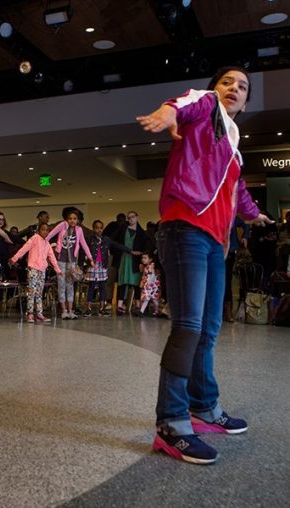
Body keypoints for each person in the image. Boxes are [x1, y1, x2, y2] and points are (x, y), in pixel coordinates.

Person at [137, 66, 272, 464]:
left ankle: (205, 407)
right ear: (217, 88)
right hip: (185, 228)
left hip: (216, 241)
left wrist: (254, 214)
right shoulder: (206, 105)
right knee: (189, 328)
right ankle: (171, 424)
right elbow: (186, 102)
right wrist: (168, 113)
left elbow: (237, 188)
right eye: (228, 82)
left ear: (247, 101)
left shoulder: (233, 141)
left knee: (209, 331)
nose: (234, 88)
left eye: (243, 86)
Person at [45, 208, 93, 320]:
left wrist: (90, 258)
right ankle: (64, 311)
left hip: (72, 261)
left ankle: (71, 311)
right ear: (67, 219)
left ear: (78, 220)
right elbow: (50, 235)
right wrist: (42, 245)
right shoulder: (62, 226)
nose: (72, 221)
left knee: (70, 285)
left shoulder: (79, 230)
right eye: (70, 218)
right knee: (61, 285)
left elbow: (84, 244)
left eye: (75, 219)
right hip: (61, 259)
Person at [9, 222, 61, 322]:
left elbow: (52, 257)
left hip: (42, 270)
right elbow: (24, 249)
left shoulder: (47, 243)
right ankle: (30, 314)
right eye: (43, 229)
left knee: (39, 292)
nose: (45, 232)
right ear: (38, 231)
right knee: (31, 292)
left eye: (47, 230)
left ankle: (40, 314)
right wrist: (14, 259)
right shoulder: (34, 238)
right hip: (33, 269)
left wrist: (57, 270)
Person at [84, 219, 135, 317]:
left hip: (102, 266)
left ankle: (102, 308)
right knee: (91, 287)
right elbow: (83, 249)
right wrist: (83, 263)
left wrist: (130, 250)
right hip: (93, 265)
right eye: (96, 228)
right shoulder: (89, 239)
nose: (99, 230)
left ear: (102, 229)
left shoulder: (106, 239)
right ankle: (88, 308)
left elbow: (117, 245)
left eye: (100, 228)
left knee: (102, 287)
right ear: (93, 229)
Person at [111, 211, 149, 315]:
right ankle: (119, 306)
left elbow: (145, 248)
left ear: (137, 217)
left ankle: (137, 306)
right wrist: (126, 249)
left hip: (136, 260)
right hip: (124, 258)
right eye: (129, 217)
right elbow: (113, 241)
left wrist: (142, 262)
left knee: (136, 283)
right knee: (122, 282)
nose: (131, 219)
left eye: (133, 217)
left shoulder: (141, 233)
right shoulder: (123, 229)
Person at [137, 252, 161, 316]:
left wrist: (149, 283)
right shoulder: (145, 266)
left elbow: (152, 275)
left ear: (150, 259)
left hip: (152, 286)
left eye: (145, 258)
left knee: (154, 300)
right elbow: (144, 275)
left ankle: (156, 311)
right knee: (146, 298)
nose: (143, 259)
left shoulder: (151, 265)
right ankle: (141, 311)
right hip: (148, 285)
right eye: (142, 258)